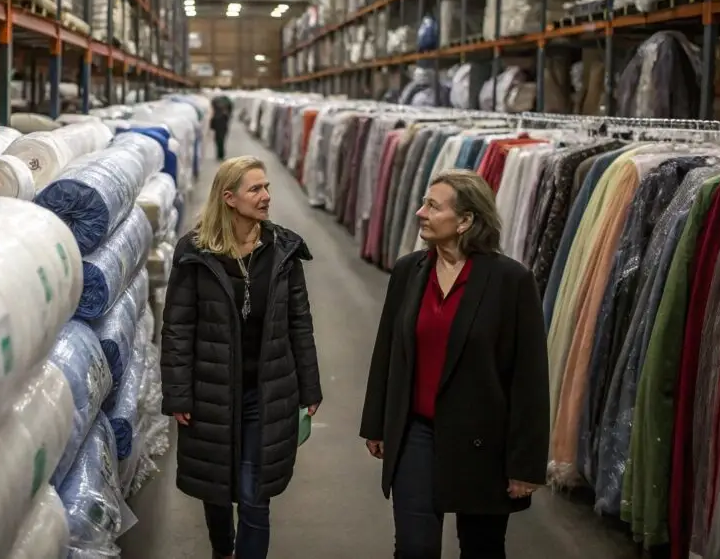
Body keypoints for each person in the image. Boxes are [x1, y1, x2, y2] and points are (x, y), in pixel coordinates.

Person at [359, 169, 549, 559]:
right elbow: (388, 351)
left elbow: (529, 379)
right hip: (416, 433)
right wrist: (377, 423)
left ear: (465, 221)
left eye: (432, 205)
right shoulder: (408, 271)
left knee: (481, 548)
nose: (419, 212)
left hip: (484, 442)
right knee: (414, 547)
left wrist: (525, 464)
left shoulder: (510, 281)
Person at [161, 155, 323, 559]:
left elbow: (300, 323)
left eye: (266, 187)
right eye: (256, 189)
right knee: (215, 488)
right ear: (229, 198)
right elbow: (178, 327)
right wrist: (178, 394)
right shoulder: (195, 252)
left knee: (254, 494)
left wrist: (309, 385)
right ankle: (223, 551)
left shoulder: (283, 250)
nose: (267, 196)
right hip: (210, 391)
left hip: (266, 391)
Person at [210, 94, 233, 160]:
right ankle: (221, 154)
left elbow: (212, 112)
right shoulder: (227, 104)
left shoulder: (215, 102)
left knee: (217, 139)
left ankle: (219, 154)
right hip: (223, 123)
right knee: (222, 139)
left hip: (217, 122)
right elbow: (230, 112)